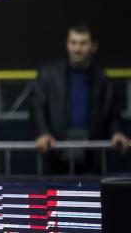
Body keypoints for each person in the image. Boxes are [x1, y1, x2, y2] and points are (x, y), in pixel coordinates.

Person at [30, 23, 129, 174]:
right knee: (55, 187)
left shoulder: (103, 80)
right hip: (55, 148)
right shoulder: (48, 74)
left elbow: (112, 114)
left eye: (83, 43)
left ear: (93, 46)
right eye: (73, 42)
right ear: (67, 44)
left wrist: (117, 132)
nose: (77, 48)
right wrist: (42, 132)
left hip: (92, 151)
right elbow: (37, 106)